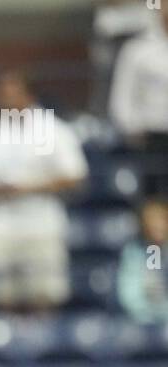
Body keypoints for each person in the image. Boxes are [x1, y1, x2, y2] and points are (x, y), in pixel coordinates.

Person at [0, 70, 88, 312]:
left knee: (44, 294)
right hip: (2, 220)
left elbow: (76, 176)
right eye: (1, 93)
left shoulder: (54, 129)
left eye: (10, 92)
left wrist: (29, 189)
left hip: (42, 219)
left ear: (27, 93)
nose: (5, 98)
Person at [109, 6, 168, 197]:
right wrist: (131, 129)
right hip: (152, 137)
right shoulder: (137, 48)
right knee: (153, 197)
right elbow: (122, 94)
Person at [116, 196, 168, 324]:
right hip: (140, 322)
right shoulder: (133, 253)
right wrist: (152, 314)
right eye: (152, 220)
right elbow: (129, 296)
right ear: (143, 224)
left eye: (161, 219)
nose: (157, 226)